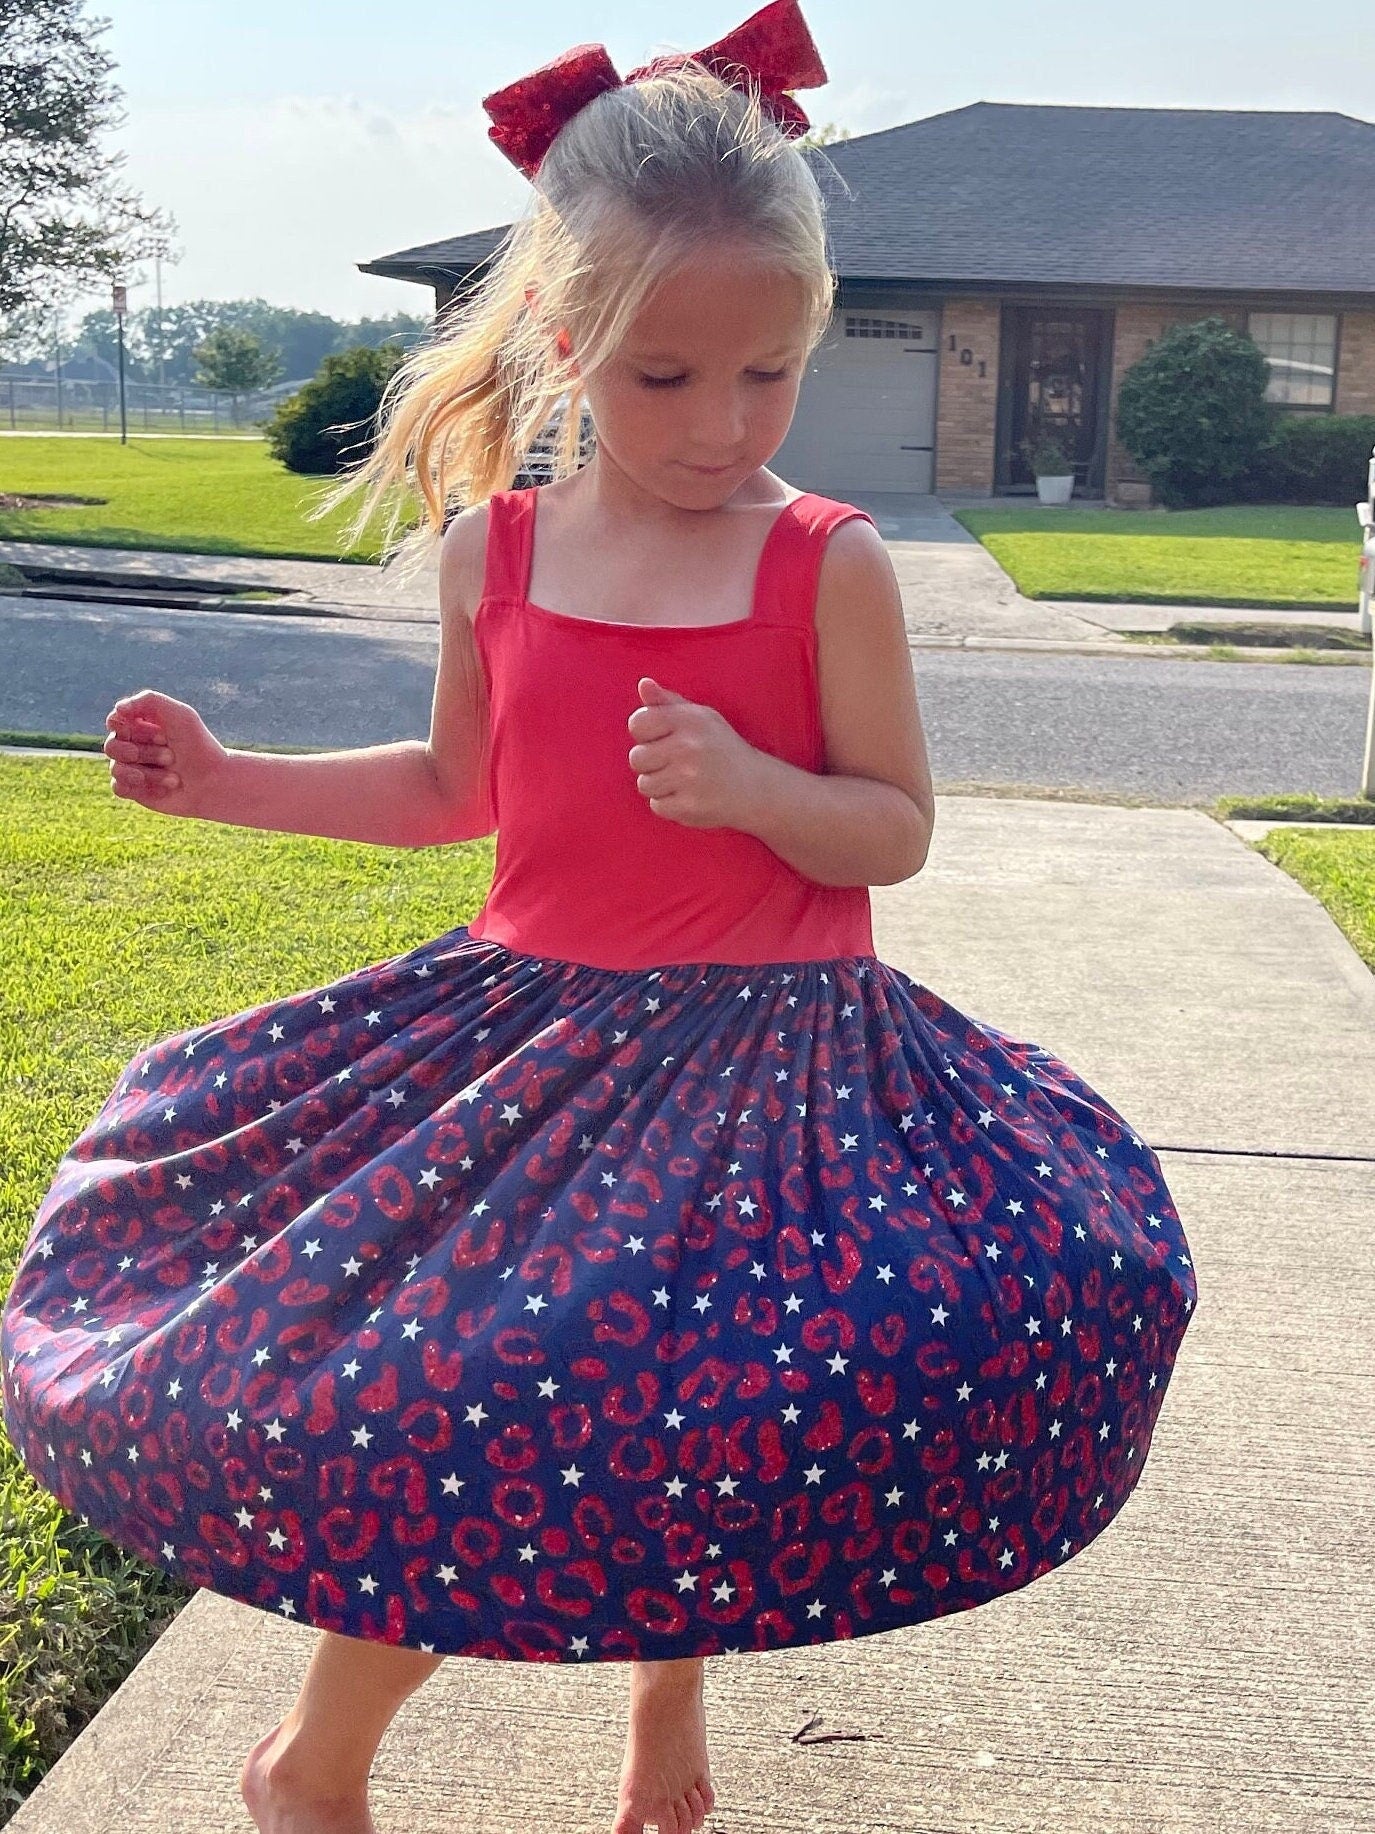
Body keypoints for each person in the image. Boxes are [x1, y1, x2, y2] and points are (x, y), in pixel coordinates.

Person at [0, 6, 1200, 1833]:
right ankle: (309, 1763)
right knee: (441, 1404)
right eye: (665, 381)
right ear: (565, 341)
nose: (722, 427)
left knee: (710, 1410)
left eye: (766, 378)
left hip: (783, 1069)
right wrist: (229, 777)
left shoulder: (828, 564)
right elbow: (453, 795)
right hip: (537, 1056)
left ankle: (666, 1731)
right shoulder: (506, 550)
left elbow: (893, 832)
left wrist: (757, 792)